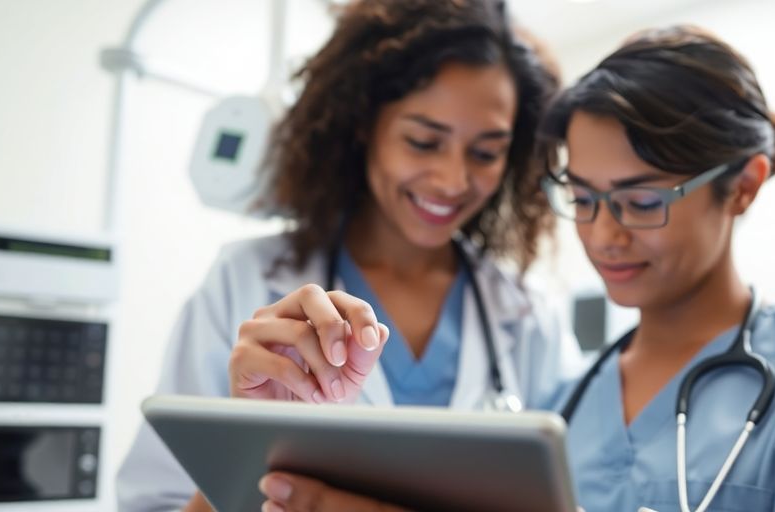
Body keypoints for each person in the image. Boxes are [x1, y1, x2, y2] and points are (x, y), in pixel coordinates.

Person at [249, 25, 775, 512]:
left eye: (642, 201)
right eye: (583, 198)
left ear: (743, 186)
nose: (604, 234)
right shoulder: (560, 408)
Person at [116, 1, 580, 510]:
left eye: (486, 153)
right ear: (364, 124)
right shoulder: (243, 281)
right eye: (423, 142)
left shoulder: (529, 316)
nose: (453, 180)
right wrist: (246, 457)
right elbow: (152, 502)